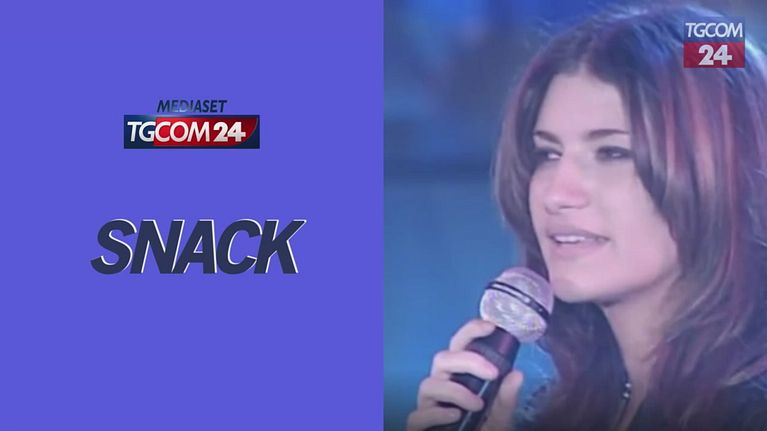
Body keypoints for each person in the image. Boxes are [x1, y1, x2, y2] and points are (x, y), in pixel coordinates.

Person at [407, 4, 767, 431]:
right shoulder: (564, 411)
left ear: (722, 171)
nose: (557, 195)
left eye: (612, 152)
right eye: (547, 154)